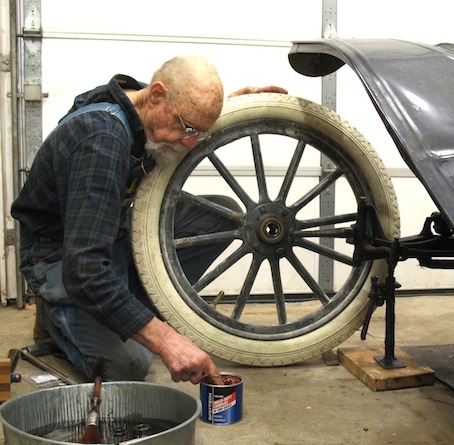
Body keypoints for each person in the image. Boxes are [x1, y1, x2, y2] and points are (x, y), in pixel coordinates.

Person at [11, 55, 286, 383]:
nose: (190, 142)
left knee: (221, 216)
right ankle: (53, 313)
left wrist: (228, 110)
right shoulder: (100, 142)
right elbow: (85, 269)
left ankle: (124, 311)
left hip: (113, 233)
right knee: (130, 367)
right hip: (62, 258)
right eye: (188, 128)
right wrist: (166, 340)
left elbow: (182, 109)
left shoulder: (141, 106)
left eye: (198, 132)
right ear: (156, 95)